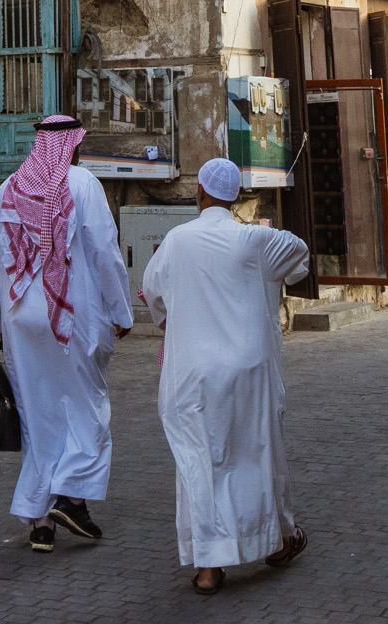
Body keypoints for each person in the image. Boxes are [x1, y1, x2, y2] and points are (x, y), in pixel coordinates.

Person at [141, 157, 310, 596]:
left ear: (200, 193)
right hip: (248, 373)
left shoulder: (176, 241)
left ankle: (210, 568)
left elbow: (153, 293)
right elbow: (299, 255)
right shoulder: (254, 240)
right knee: (255, 455)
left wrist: (172, 320)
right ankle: (274, 540)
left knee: (199, 464)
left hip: (191, 375)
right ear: (237, 197)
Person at [0, 113, 134, 553]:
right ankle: (72, 497)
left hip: (18, 320)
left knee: (39, 416)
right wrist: (122, 313)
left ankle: (40, 522)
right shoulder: (83, 184)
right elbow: (105, 253)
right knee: (88, 409)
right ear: (72, 145)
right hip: (70, 316)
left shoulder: (8, 188)